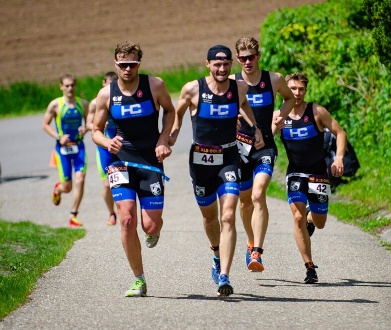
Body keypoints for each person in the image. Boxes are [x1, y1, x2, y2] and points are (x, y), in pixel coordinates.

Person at [169, 45, 264, 296]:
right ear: (208, 64)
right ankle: (215, 253)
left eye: (226, 64)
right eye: (217, 64)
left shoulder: (240, 88)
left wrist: (255, 128)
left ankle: (225, 276)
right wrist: (168, 140)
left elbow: (244, 105)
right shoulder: (192, 89)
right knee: (210, 217)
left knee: (228, 216)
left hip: (229, 158)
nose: (222, 69)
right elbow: (176, 116)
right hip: (201, 161)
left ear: (231, 64)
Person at [91, 41, 176, 297]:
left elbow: (170, 111)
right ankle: (139, 279)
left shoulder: (155, 85)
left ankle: (155, 230)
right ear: (115, 64)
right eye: (123, 64)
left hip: (150, 162)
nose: (128, 69)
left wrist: (163, 140)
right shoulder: (106, 94)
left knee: (150, 226)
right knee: (126, 219)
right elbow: (95, 130)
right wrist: (107, 142)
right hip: (120, 163)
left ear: (139, 63)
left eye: (132, 64)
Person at [273, 72, 347, 284]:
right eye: (292, 89)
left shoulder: (316, 112)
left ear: (305, 91)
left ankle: (310, 217)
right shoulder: (278, 116)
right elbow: (265, 136)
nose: (297, 93)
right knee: (296, 219)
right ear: (285, 91)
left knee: (320, 222)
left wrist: (339, 158)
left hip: (318, 173)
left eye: (301, 89)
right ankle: (310, 267)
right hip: (295, 172)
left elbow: (340, 133)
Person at [230, 36, 295, 272]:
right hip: (240, 148)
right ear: (237, 59)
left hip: (265, 146)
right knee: (245, 201)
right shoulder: (232, 82)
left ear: (258, 56)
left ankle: (257, 250)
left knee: (258, 195)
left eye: (252, 57)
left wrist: (280, 116)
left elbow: (290, 98)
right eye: (243, 58)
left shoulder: (274, 79)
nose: (247, 62)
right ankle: (250, 241)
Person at [43, 73, 89, 227]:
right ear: (61, 86)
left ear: (76, 86)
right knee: (67, 187)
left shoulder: (82, 103)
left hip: (79, 147)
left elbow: (90, 122)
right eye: (67, 85)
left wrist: (85, 128)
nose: (70, 88)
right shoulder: (55, 104)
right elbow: (45, 125)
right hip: (62, 149)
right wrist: (58, 137)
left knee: (80, 179)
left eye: (72, 85)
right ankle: (58, 188)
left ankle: (73, 215)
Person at [86, 71, 119, 226]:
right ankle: (111, 213)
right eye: (109, 84)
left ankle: (123, 210)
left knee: (122, 181)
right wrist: (96, 125)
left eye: (114, 84)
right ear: (103, 83)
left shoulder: (121, 100)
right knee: (107, 184)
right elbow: (88, 124)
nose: (111, 87)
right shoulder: (95, 103)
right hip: (103, 149)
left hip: (119, 147)